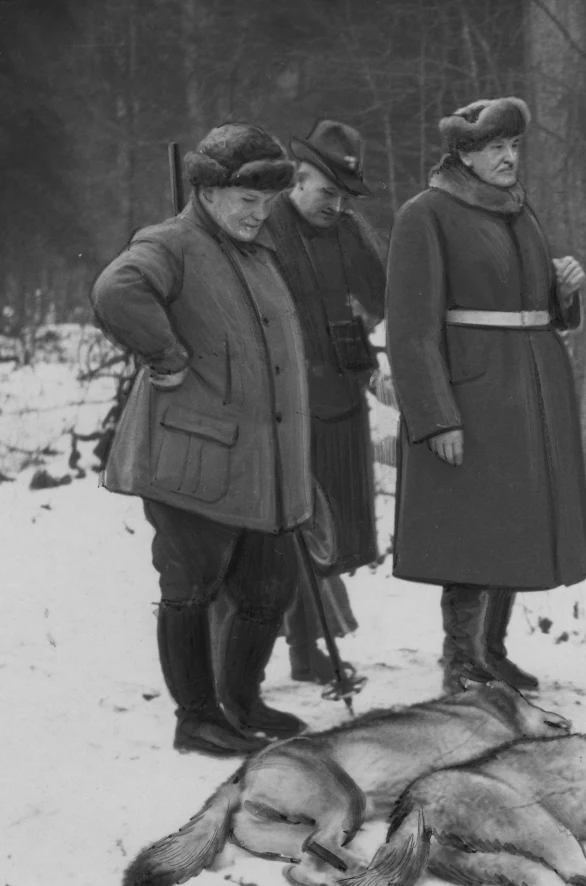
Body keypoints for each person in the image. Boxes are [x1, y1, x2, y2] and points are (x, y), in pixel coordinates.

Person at [91, 123, 310, 756]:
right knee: (190, 585)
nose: (259, 210)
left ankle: (240, 704)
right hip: (192, 460)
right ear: (208, 191)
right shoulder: (171, 244)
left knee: (271, 588)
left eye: (267, 198)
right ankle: (197, 717)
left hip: (261, 465)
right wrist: (165, 354)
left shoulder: (257, 253)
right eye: (246, 198)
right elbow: (115, 291)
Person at [386, 97, 586, 694]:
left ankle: (492, 652)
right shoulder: (425, 215)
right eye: (495, 148)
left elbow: (538, 310)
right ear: (465, 155)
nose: (508, 158)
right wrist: (435, 418)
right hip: (472, 397)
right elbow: (410, 329)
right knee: (472, 530)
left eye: (513, 146)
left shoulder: (517, 210)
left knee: (512, 524)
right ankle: (462, 662)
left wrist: (565, 291)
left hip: (528, 394)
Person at [266, 119, 387, 684]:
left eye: (343, 195)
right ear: (298, 178)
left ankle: (307, 650)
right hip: (283, 405)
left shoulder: (350, 231)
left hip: (341, 397)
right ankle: (271, 657)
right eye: (326, 191)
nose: (334, 205)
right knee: (282, 531)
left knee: (328, 535)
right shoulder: (265, 227)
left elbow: (384, 295)